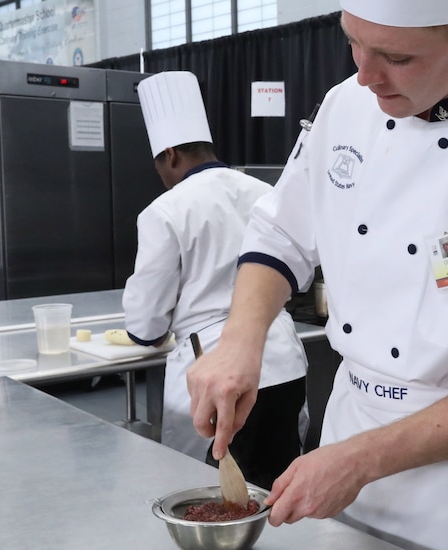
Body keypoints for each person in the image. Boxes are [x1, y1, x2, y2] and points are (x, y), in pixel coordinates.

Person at [186, 1, 448, 548]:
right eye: (353, 42)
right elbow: (280, 236)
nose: (364, 74)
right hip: (344, 435)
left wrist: (361, 461)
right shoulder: (345, 105)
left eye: (395, 57)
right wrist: (240, 345)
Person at [122, 71, 308, 490]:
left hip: (213, 372)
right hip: (280, 359)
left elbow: (145, 326)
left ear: (169, 154)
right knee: (279, 491)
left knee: (206, 495)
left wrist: (148, 334)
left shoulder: (164, 211)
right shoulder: (264, 190)